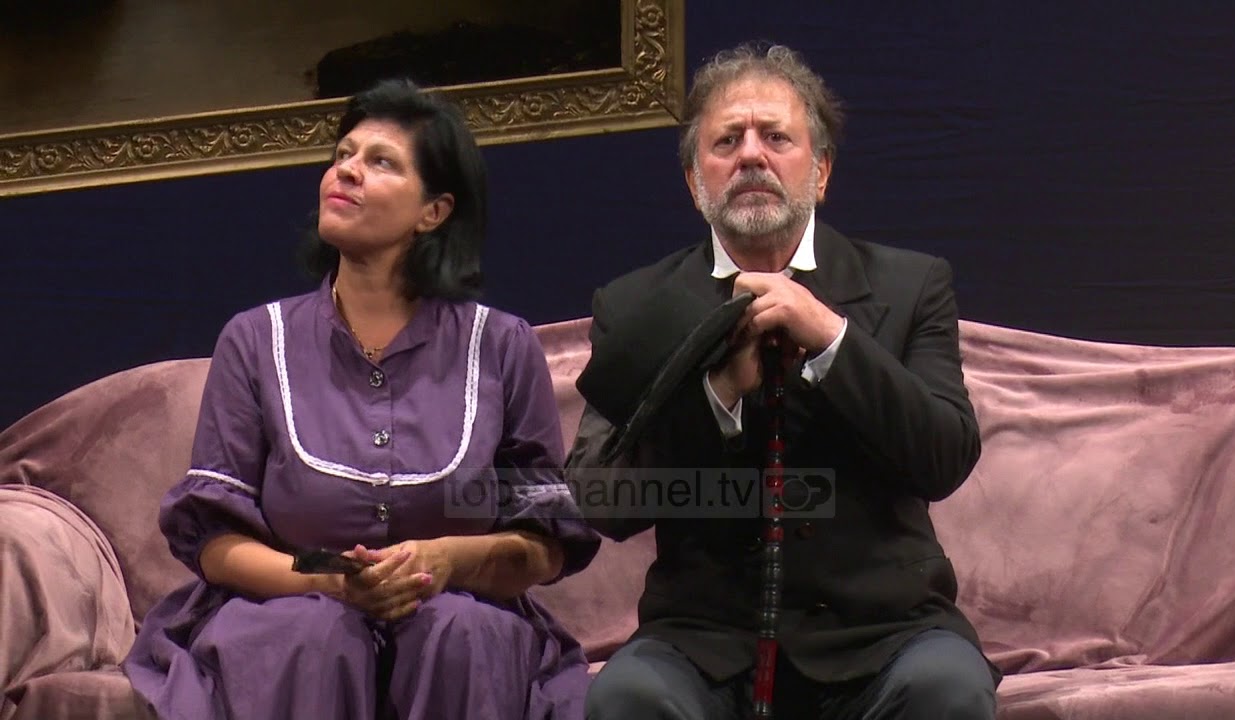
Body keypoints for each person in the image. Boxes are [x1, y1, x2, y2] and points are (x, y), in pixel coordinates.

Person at [123, 79, 601, 720]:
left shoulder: (501, 345)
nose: (345, 170)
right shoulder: (256, 339)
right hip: (290, 609)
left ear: (433, 212)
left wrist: (445, 560)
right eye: (343, 154)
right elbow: (214, 539)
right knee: (312, 633)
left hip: (460, 615)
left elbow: (545, 545)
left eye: (381, 162)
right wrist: (328, 583)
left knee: (462, 632)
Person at [566, 43, 999, 719]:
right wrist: (718, 394)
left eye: (776, 137)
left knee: (950, 690)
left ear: (820, 171)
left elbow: (944, 456)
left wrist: (830, 338)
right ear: (694, 182)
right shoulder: (635, 306)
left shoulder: (910, 286)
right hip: (703, 644)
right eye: (726, 141)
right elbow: (600, 495)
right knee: (625, 699)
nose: (750, 155)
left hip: (884, 633)